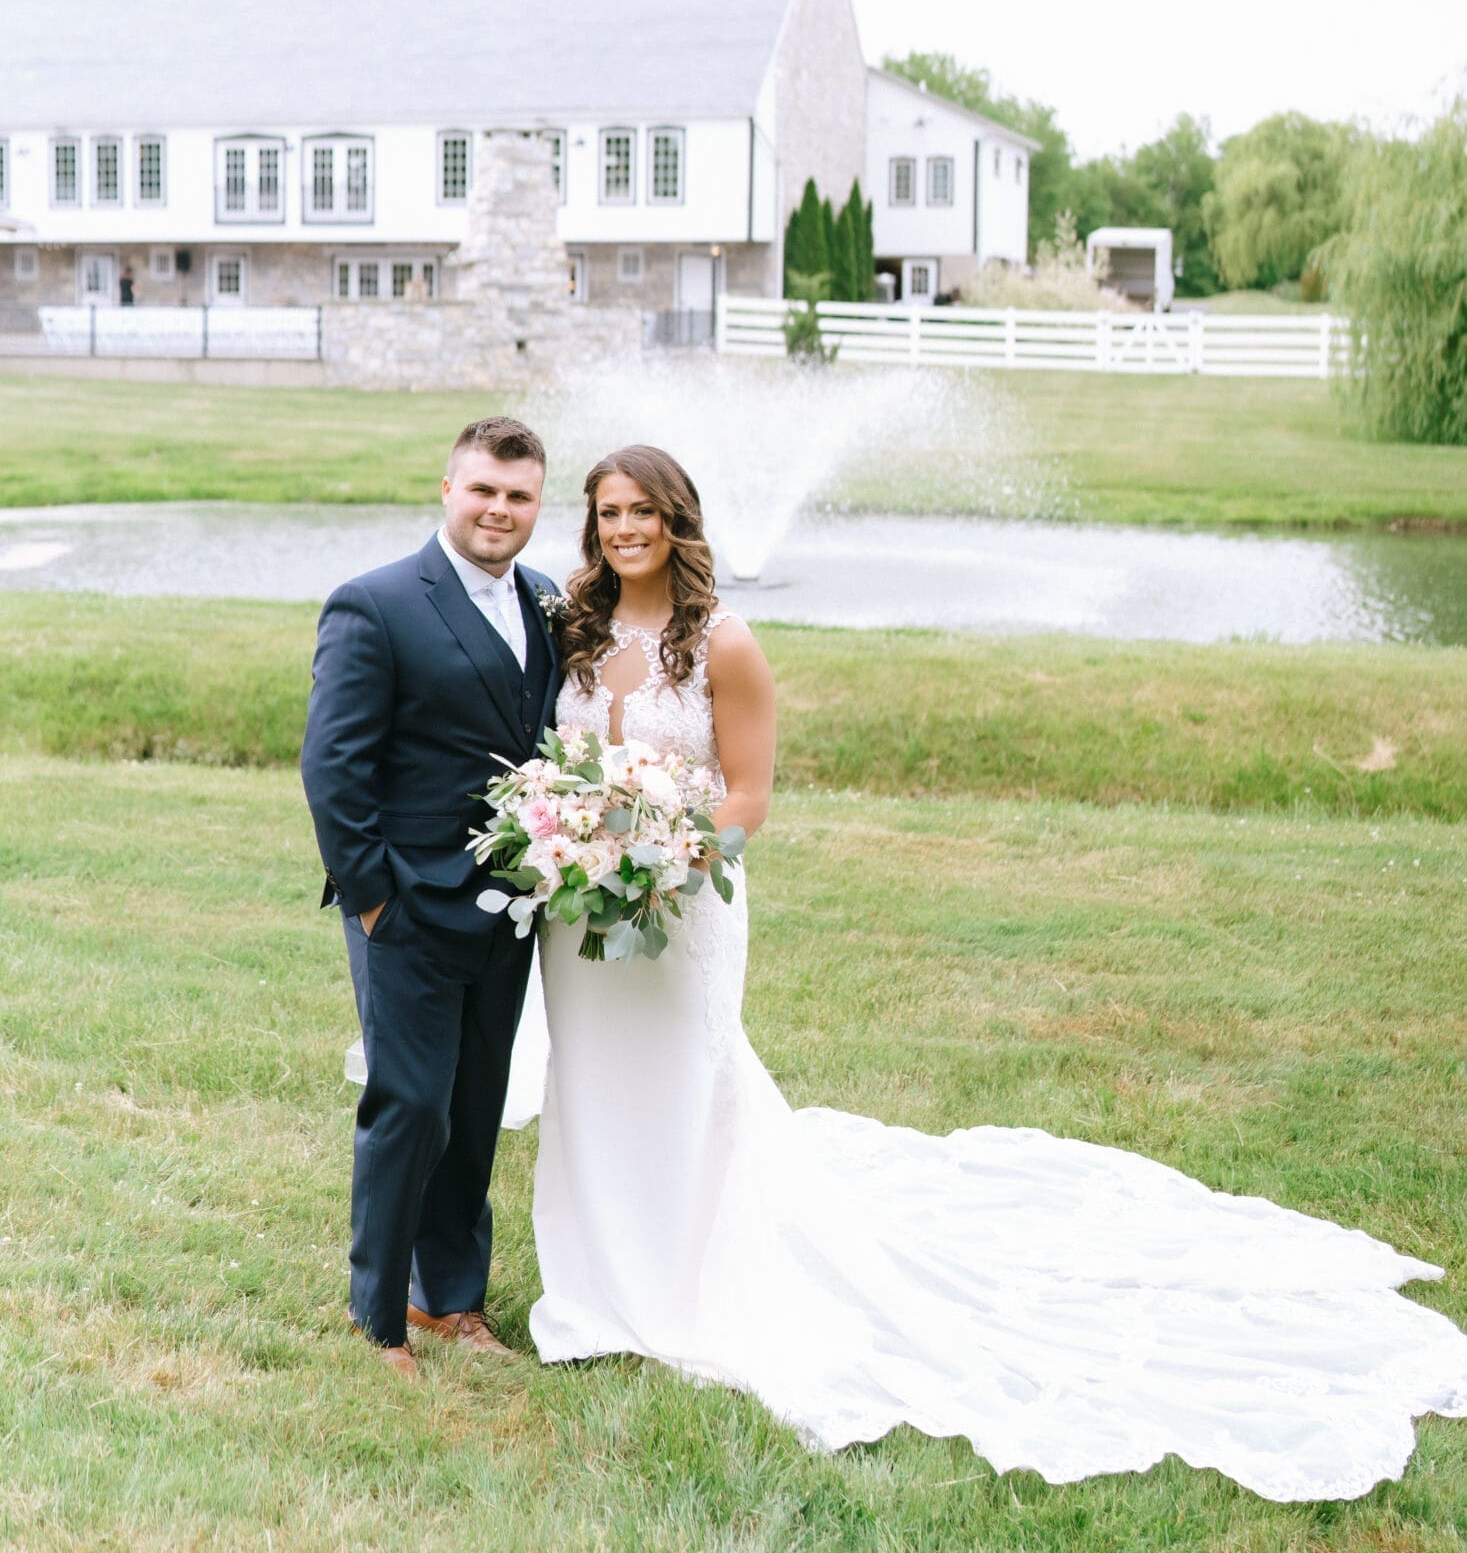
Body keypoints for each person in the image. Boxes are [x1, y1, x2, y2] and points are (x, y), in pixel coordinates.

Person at [529, 443, 1467, 1495]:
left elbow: (747, 797)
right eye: (608, 512)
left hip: (680, 904)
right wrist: (573, 842)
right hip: (577, 912)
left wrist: (669, 860)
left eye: (643, 511)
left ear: (677, 519)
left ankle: (692, 1278)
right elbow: (557, 761)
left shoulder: (724, 645)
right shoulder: (573, 630)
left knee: (690, 1086)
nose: (624, 529)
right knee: (592, 1086)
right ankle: (599, 1278)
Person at [301, 414, 560, 1379]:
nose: (499, 509)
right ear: (447, 490)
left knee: (476, 1103)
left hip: (510, 906)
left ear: (539, 503)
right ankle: (378, 1322)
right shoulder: (374, 605)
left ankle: (450, 1298)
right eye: (483, 490)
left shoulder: (544, 601)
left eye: (519, 494)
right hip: (406, 905)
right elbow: (332, 769)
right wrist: (375, 903)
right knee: (408, 1106)